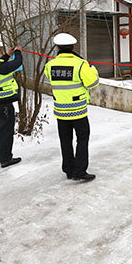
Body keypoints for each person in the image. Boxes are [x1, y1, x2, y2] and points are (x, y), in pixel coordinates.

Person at [44, 33, 99, 181]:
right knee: (82, 139)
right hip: (78, 111)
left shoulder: (50, 65)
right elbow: (92, 83)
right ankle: (79, 171)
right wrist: (92, 69)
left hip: (61, 111)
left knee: (65, 140)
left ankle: (68, 169)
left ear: (58, 48)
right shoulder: (81, 64)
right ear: (73, 47)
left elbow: (50, 77)